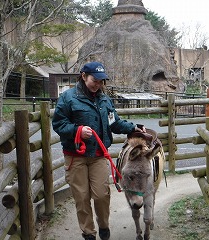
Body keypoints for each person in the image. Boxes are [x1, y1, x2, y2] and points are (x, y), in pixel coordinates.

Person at [52, 61, 146, 240]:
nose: (98, 84)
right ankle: (89, 233)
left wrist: (133, 127)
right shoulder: (68, 98)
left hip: (98, 156)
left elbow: (115, 123)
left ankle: (103, 225)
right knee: (82, 197)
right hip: (75, 156)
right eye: (95, 80)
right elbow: (58, 124)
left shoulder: (104, 100)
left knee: (102, 194)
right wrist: (77, 130)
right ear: (83, 76)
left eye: (101, 81)